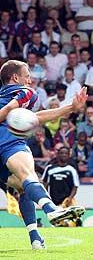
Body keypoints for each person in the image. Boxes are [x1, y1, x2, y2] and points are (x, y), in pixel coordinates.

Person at [0, 60, 87, 249]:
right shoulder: (26, 92)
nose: (30, 79)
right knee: (29, 176)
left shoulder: (5, 97)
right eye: (27, 75)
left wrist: (71, 108)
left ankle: (36, 238)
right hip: (8, 141)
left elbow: (36, 117)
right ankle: (51, 209)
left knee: (23, 187)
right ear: (16, 77)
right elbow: (7, 112)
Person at [42, 147, 81, 227]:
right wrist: (46, 197)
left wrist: (70, 198)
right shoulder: (49, 168)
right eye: (61, 153)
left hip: (67, 201)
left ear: (68, 156)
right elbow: (45, 183)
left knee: (70, 223)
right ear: (57, 155)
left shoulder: (71, 170)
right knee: (57, 224)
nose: (63, 155)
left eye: (66, 153)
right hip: (53, 201)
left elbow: (75, 186)